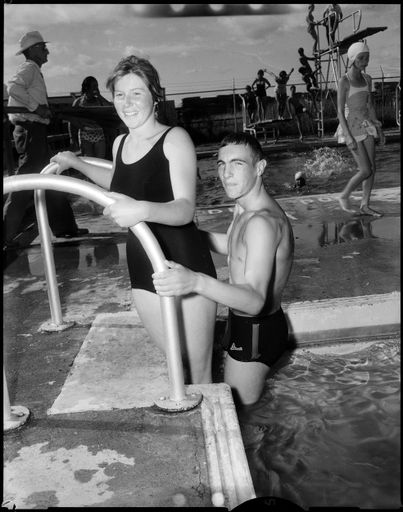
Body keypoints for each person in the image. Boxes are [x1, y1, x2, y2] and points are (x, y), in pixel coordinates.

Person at [50, 55, 217, 384]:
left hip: (184, 261)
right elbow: (120, 176)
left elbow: (184, 208)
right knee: (174, 365)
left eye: (136, 93)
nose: (127, 103)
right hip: (143, 266)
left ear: (155, 96)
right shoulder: (120, 142)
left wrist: (142, 209)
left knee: (199, 370)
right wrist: (77, 162)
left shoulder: (175, 139)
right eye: (120, 95)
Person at [152, 132, 295, 406]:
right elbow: (235, 249)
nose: (226, 174)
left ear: (260, 168)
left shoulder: (262, 223)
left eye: (237, 164)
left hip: (256, 329)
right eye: (221, 164)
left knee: (243, 417)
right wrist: (181, 234)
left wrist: (195, 281)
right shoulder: (243, 209)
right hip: (243, 323)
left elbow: (254, 300)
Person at [4, 31, 88, 248]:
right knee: (24, 185)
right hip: (30, 132)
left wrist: (42, 110)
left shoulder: (34, 71)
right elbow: (12, 87)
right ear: (32, 50)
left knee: (50, 178)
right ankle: (4, 234)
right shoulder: (29, 68)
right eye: (42, 47)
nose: (46, 50)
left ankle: (65, 228)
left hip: (36, 132)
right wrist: (36, 108)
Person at [335, 41, 385, 216]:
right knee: (365, 170)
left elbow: (370, 105)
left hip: (367, 125)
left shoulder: (367, 79)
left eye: (367, 58)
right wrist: (347, 136)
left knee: (372, 167)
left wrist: (378, 126)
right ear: (353, 59)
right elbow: (340, 111)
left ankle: (365, 205)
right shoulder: (344, 81)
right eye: (362, 58)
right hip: (351, 127)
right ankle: (344, 195)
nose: (365, 61)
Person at [69, 76, 111, 158]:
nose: (96, 88)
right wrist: (72, 138)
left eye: (97, 86)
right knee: (89, 161)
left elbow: (110, 108)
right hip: (85, 135)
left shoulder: (99, 101)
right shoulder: (78, 102)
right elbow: (71, 121)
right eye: (94, 86)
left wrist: (100, 96)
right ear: (87, 87)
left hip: (99, 135)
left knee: (100, 162)